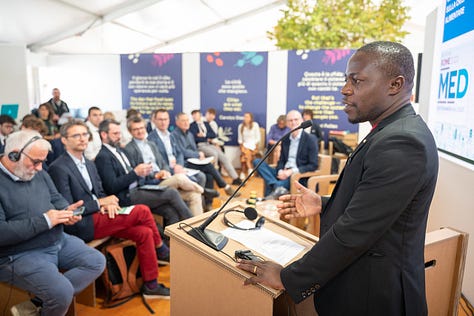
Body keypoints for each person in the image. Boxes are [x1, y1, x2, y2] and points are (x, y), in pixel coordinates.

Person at [237, 41, 439, 316]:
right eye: (346, 80)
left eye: (357, 81)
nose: (345, 89)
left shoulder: (402, 142)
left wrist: (287, 278)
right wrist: (324, 203)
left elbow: (356, 231)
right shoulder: (390, 130)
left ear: (395, 85)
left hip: (375, 298)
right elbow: (376, 203)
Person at [48, 121, 170, 298]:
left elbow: (101, 192)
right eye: (76, 135)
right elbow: (68, 208)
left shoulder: (89, 163)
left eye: (85, 134)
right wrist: (99, 204)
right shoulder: (58, 167)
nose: (82, 139)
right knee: (142, 211)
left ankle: (151, 285)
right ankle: (162, 250)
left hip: (100, 215)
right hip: (81, 223)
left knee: (144, 232)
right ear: (64, 141)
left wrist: (110, 203)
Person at [0, 130, 105, 316]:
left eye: (42, 162)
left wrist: (67, 211)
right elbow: (3, 233)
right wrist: (47, 220)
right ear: (13, 154)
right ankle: (53, 298)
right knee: (61, 293)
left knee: (96, 261)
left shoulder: (37, 172)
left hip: (57, 239)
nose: (40, 168)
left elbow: (56, 198)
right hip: (19, 253)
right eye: (35, 162)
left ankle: (37, 303)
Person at [95, 119, 192, 226]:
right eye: (115, 133)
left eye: (119, 133)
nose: (119, 136)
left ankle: (171, 241)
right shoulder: (103, 157)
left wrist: (143, 172)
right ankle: (195, 228)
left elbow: (134, 172)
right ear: (104, 135)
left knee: (170, 211)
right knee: (171, 193)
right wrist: (136, 173)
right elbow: (111, 187)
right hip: (126, 196)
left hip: (140, 187)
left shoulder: (119, 150)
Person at [125, 116, 204, 216]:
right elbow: (137, 174)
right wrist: (155, 175)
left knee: (194, 195)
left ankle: (197, 228)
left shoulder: (151, 144)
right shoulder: (129, 149)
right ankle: (202, 190)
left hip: (164, 179)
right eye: (136, 129)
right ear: (130, 131)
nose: (140, 131)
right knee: (180, 178)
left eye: (142, 128)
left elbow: (163, 163)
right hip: (151, 185)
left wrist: (165, 171)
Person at [148, 109, 219, 210]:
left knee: (204, 175)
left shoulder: (169, 135)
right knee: (200, 177)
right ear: (154, 120)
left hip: (179, 167)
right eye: (160, 119)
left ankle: (205, 205)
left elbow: (179, 153)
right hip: (167, 172)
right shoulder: (151, 139)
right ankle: (204, 193)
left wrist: (179, 165)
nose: (163, 122)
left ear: (169, 120)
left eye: (165, 119)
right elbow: (160, 162)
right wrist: (175, 169)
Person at [253, 110, 319, 199]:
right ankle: (275, 185)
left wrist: (291, 172)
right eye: (290, 120)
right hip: (282, 172)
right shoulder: (285, 139)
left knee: (279, 183)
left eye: (296, 119)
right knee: (257, 162)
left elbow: (313, 165)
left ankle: (273, 188)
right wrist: (280, 171)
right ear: (287, 123)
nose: (293, 122)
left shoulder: (310, 139)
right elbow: (281, 161)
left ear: (302, 121)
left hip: (296, 176)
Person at [172, 112, 239, 199]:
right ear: (177, 122)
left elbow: (195, 148)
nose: (186, 123)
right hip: (185, 163)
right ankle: (225, 186)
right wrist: (197, 154)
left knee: (209, 176)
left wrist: (200, 156)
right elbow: (181, 151)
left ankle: (208, 204)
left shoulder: (189, 134)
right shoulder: (174, 135)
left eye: (187, 120)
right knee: (209, 166)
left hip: (194, 160)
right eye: (183, 121)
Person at [189, 110, 242, 185]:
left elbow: (213, 135)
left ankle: (236, 178)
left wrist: (204, 135)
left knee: (223, 157)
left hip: (208, 144)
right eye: (193, 115)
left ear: (200, 115)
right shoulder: (191, 126)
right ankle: (217, 178)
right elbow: (194, 138)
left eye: (196, 115)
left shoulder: (206, 124)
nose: (194, 116)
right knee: (214, 154)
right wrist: (205, 137)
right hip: (200, 146)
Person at [237, 112, 261, 179]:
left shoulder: (255, 125)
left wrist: (254, 145)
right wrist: (242, 146)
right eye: (244, 116)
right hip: (245, 145)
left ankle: (243, 171)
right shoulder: (240, 126)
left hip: (253, 145)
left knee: (244, 155)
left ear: (251, 118)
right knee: (245, 152)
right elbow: (240, 139)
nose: (245, 118)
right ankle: (250, 168)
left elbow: (258, 138)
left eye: (247, 117)